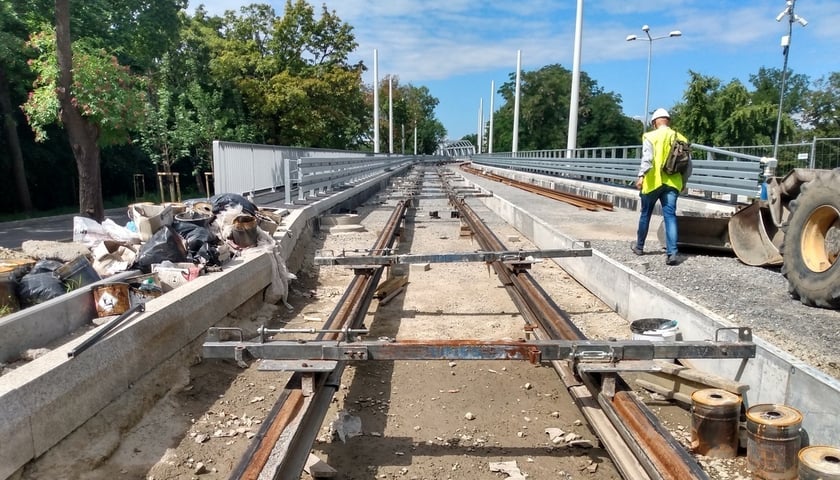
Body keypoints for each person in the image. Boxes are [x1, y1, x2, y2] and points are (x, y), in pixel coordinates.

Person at [630, 108, 691, 266]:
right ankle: (672, 253)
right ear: (668, 121)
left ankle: (639, 247)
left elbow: (647, 158)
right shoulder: (681, 137)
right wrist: (683, 182)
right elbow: (688, 165)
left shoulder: (650, 136)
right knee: (670, 217)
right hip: (672, 184)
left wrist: (641, 176)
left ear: (655, 122)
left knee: (645, 214)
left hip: (652, 182)